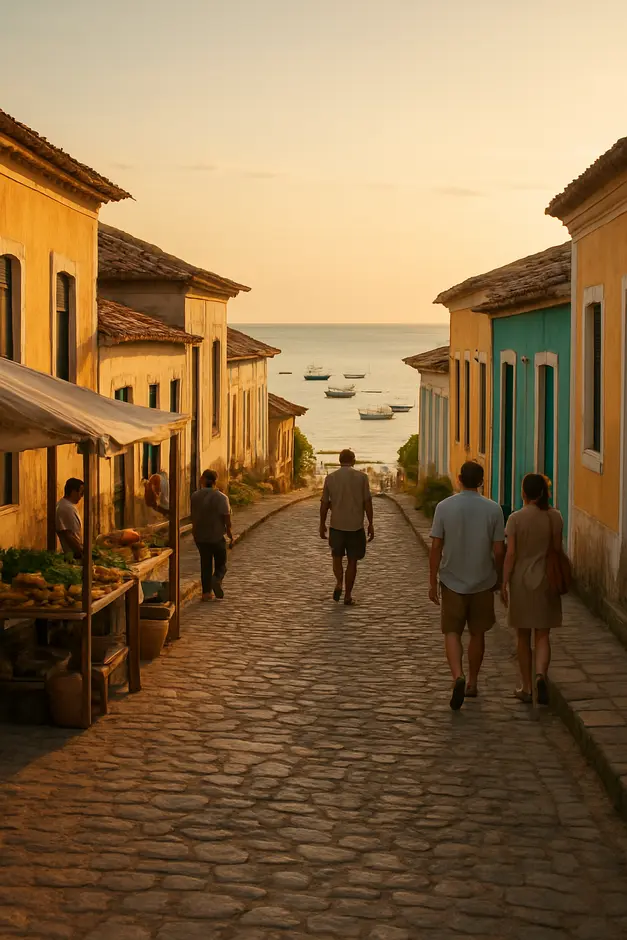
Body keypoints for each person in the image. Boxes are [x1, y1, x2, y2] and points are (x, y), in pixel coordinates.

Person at [429, 461, 505, 710]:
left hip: (452, 579)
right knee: (477, 632)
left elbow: (437, 546)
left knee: (451, 631)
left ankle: (457, 676)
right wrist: (500, 576)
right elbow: (498, 549)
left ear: (459, 479)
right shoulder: (493, 510)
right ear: (481, 481)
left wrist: (432, 580)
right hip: (483, 579)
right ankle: (472, 681)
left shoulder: (444, 507)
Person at [501, 473, 563, 705]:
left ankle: (526, 687)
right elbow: (556, 548)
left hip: (521, 582)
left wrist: (504, 581)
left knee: (523, 635)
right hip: (546, 581)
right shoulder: (555, 517)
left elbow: (511, 554)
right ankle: (541, 676)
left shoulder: (515, 519)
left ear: (524, 492)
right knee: (543, 634)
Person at [320, 449, 374, 606]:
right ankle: (348, 595)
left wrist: (322, 523)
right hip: (355, 527)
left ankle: (338, 582)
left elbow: (324, 503)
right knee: (352, 561)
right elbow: (367, 502)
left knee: (336, 557)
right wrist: (370, 523)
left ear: (339, 460)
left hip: (337, 525)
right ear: (354, 460)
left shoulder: (330, 478)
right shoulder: (362, 478)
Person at [191, 469, 234, 601]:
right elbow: (227, 519)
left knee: (205, 564)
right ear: (216, 481)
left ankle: (206, 593)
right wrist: (230, 535)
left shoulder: (195, 496)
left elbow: (193, 516)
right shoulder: (222, 497)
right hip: (216, 536)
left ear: (202, 479)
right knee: (221, 563)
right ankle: (216, 579)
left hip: (200, 536)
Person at [55, 478, 85, 558]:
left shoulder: (66, 505)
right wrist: (80, 551)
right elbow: (68, 535)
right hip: (73, 553)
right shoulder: (66, 508)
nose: (82, 496)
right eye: (81, 493)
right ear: (73, 492)